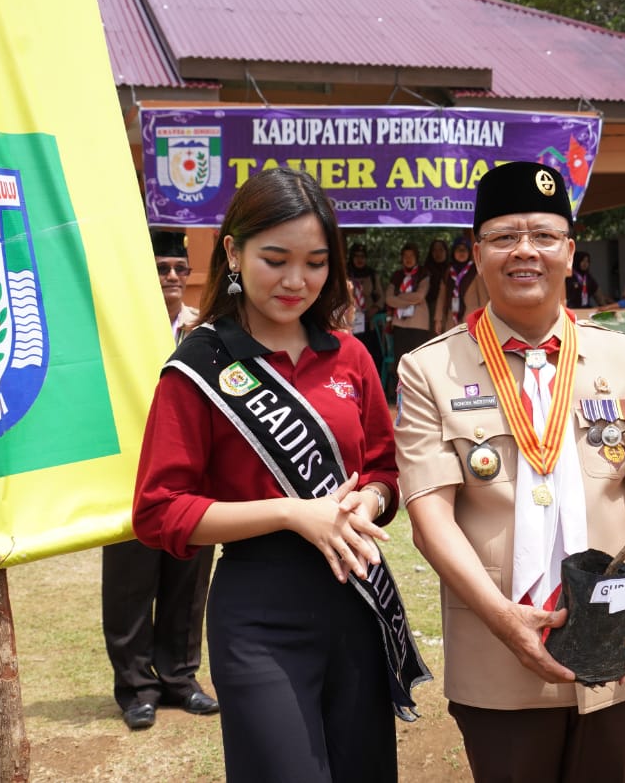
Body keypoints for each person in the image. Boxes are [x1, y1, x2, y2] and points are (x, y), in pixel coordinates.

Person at [395, 161, 625, 783]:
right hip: (495, 651)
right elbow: (429, 517)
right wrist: (503, 620)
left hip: (619, 641)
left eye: (543, 236)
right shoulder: (429, 371)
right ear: (477, 253)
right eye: (504, 236)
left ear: (570, 251)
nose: (524, 251)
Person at [133, 168, 417, 781]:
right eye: (275, 259)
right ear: (233, 252)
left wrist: (369, 500)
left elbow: (384, 469)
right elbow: (158, 510)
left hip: (356, 600)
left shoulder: (350, 355)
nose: (296, 281)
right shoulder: (198, 367)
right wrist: (291, 512)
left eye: (315, 263)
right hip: (260, 611)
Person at [101, 228, 218, 731]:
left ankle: (179, 678)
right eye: (161, 268)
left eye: (179, 268)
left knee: (187, 580)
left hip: (195, 472)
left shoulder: (207, 330)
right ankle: (136, 687)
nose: (172, 276)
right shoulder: (121, 332)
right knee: (130, 582)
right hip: (132, 472)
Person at [386, 242, 432, 369]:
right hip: (399, 323)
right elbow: (389, 299)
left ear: (417, 257)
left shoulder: (423, 273)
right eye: (405, 256)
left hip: (419, 324)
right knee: (401, 362)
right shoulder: (397, 275)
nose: (408, 259)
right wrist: (409, 300)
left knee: (418, 362)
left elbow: (420, 296)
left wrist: (399, 297)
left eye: (411, 255)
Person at [346, 242, 384, 374]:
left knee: (372, 355)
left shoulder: (372, 274)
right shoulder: (345, 273)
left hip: (369, 322)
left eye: (362, 256)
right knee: (351, 355)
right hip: (350, 322)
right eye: (356, 256)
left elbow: (381, 297)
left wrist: (375, 308)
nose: (359, 259)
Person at [439, 235, 488, 331]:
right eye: (458, 249)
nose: (461, 252)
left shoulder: (476, 270)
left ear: (469, 252)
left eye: (464, 250)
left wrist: (485, 319)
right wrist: (438, 319)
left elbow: (483, 297)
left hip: (472, 319)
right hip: (451, 319)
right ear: (453, 252)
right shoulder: (448, 272)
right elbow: (441, 297)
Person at [424, 237, 452, 334]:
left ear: (446, 251)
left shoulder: (452, 269)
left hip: (449, 309)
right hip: (429, 310)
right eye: (434, 250)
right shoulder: (425, 271)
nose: (437, 253)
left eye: (441, 250)